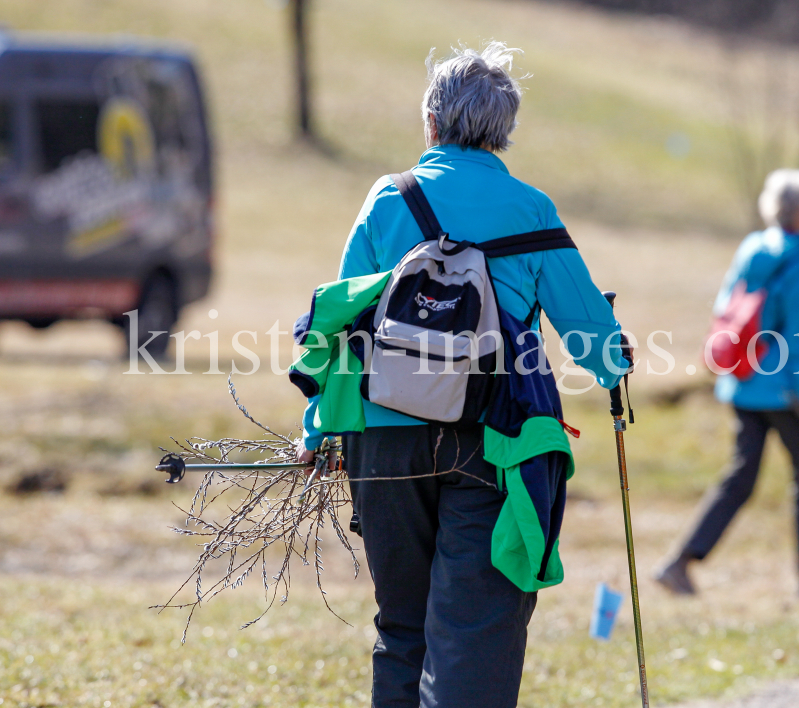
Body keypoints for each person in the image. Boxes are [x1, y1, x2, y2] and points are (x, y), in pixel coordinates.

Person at [296, 41, 629, 708]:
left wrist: (318, 431)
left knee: (402, 627)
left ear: (432, 123)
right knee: (474, 629)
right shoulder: (531, 209)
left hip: (382, 436)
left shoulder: (389, 199)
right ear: (503, 130)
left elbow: (341, 319)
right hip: (493, 441)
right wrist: (614, 360)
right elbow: (592, 337)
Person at [656, 168, 799, 597]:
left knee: (740, 477)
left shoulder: (752, 247)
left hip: (742, 383)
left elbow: (726, 307)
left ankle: (680, 562)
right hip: (784, 390)